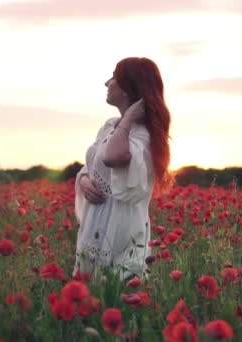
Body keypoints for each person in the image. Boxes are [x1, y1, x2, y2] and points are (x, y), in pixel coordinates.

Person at [73, 57, 173, 281]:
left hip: (121, 232)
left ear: (128, 89)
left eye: (114, 78)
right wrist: (84, 181)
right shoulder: (110, 126)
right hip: (95, 226)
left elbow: (112, 157)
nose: (107, 83)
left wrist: (128, 119)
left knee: (119, 293)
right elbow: (92, 165)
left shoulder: (144, 135)